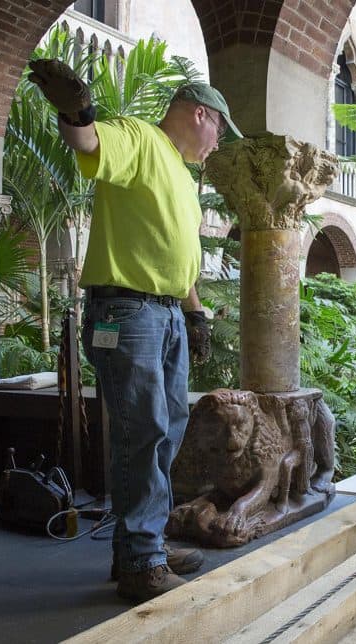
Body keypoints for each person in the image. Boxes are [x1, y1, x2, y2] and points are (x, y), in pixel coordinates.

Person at [27, 59, 243, 602]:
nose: (218, 143)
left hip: (164, 313)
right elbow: (88, 140)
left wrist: (192, 311)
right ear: (200, 114)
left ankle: (142, 544)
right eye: (220, 130)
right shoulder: (140, 138)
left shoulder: (180, 173)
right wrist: (76, 110)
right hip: (125, 314)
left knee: (165, 426)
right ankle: (141, 562)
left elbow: (178, 254)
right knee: (141, 429)